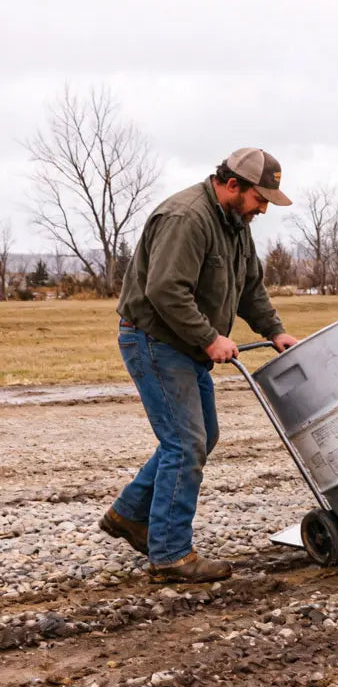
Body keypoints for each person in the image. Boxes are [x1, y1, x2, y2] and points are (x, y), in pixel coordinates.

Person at [100, 148, 300, 584]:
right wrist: (210, 338)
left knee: (201, 436)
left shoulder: (235, 225)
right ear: (232, 185)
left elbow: (250, 287)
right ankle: (170, 555)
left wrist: (275, 330)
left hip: (184, 345)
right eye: (260, 198)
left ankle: (128, 515)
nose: (263, 209)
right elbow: (165, 290)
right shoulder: (187, 218)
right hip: (155, 339)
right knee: (185, 443)